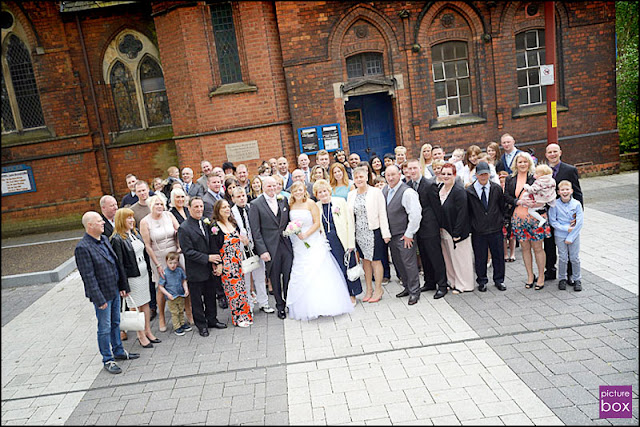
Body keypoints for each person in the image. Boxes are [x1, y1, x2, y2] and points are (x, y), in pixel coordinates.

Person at [75, 211, 139, 375]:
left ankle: (119, 351)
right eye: (99, 221)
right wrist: (98, 299)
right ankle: (107, 359)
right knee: (104, 328)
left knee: (116, 323)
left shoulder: (103, 239)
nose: (103, 223)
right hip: (102, 295)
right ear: (90, 225)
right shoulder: (83, 248)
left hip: (114, 290)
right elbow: (88, 277)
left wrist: (122, 285)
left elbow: (115, 264)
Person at [286, 181, 354, 320]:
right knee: (301, 269)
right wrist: (293, 230)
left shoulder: (311, 203)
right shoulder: (290, 204)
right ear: (292, 192)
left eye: (300, 190)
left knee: (318, 268)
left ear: (304, 190)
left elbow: (317, 223)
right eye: (295, 190)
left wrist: (306, 234)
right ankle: (304, 305)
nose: (298, 192)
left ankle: (326, 304)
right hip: (298, 243)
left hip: (312, 239)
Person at [110, 208, 161, 348]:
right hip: (132, 278)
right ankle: (140, 335)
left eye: (132, 217)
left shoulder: (135, 234)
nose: (132, 220)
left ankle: (148, 331)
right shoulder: (117, 239)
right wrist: (123, 285)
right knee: (135, 306)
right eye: (128, 218)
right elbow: (119, 264)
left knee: (145, 303)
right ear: (121, 220)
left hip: (143, 274)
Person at [177, 197, 227, 337]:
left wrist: (215, 262)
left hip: (209, 269)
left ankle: (212, 320)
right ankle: (201, 325)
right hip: (196, 270)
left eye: (201, 206)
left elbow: (212, 243)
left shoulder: (206, 222)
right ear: (189, 208)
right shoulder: (184, 228)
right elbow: (188, 251)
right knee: (198, 300)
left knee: (211, 296)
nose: (199, 209)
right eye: (196, 207)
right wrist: (207, 258)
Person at [249, 176, 294, 319]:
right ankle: (279, 306)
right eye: (269, 186)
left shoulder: (283, 200)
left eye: (274, 186)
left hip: (285, 244)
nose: (272, 189)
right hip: (270, 248)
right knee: (274, 279)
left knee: (288, 275)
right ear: (263, 187)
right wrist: (262, 251)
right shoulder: (256, 204)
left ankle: (289, 303)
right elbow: (255, 231)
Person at [504, 152, 551, 290]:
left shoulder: (536, 178)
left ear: (529, 163)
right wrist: (517, 201)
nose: (523, 164)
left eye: (525, 162)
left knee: (537, 248)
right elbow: (506, 196)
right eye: (520, 162)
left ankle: (541, 276)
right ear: (516, 164)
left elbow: (546, 193)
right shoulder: (510, 179)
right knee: (525, 248)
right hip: (518, 218)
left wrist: (536, 202)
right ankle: (530, 276)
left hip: (535, 217)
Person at [140, 195, 186, 332]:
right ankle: (162, 317)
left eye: (161, 204)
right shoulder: (145, 222)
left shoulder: (169, 215)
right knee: (161, 285)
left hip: (174, 254)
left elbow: (179, 231)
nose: (159, 207)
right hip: (158, 256)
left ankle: (186, 314)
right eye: (156, 204)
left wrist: (180, 246)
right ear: (151, 206)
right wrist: (157, 264)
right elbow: (147, 245)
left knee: (182, 280)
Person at [404, 159, 448, 299]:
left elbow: (437, 208)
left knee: (435, 256)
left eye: (414, 168)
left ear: (420, 168)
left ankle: (442, 285)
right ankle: (429, 282)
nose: (412, 171)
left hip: (430, 227)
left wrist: (439, 226)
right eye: (409, 169)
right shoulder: (408, 186)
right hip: (417, 229)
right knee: (424, 256)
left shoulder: (429, 185)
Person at [314, 179, 362, 305]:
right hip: (328, 242)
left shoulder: (340, 202)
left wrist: (351, 244)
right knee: (337, 269)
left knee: (349, 266)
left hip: (343, 239)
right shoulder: (316, 207)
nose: (323, 194)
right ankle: (343, 294)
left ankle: (353, 294)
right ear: (316, 195)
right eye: (320, 192)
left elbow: (349, 223)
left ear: (329, 191)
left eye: (325, 191)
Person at [347, 166, 391, 303]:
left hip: (374, 231)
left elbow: (382, 213)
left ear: (366, 177)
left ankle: (378, 289)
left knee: (376, 260)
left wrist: (385, 233)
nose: (359, 179)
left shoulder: (375, 192)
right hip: (359, 233)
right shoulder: (351, 194)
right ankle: (369, 290)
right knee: (365, 261)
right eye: (356, 177)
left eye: (361, 177)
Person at [543, 143, 584, 283]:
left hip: (566, 217)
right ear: (546, 154)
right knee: (548, 245)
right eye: (550, 152)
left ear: (560, 152)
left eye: (555, 151)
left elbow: (578, 193)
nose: (552, 154)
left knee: (568, 245)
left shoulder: (570, 169)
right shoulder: (543, 171)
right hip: (548, 214)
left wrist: (576, 217)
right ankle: (550, 270)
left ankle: (570, 274)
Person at [382, 165, 422, 305]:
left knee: (409, 263)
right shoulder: (385, 190)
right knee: (398, 263)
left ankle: (414, 291)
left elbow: (415, 214)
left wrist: (409, 233)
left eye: (393, 174)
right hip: (392, 235)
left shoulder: (407, 192)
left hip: (404, 235)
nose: (391, 178)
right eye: (388, 175)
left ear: (400, 174)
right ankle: (406, 287)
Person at [210, 199, 254, 327]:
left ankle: (246, 314)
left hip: (238, 260)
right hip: (227, 263)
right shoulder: (215, 226)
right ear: (218, 210)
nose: (227, 209)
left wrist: (244, 241)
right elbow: (214, 247)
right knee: (233, 291)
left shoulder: (233, 223)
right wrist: (219, 264)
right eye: (224, 207)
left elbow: (240, 238)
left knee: (242, 289)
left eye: (228, 207)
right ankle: (238, 317)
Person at [231, 186, 274, 314]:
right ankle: (248, 304)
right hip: (241, 249)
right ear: (233, 199)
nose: (241, 198)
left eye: (243, 195)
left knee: (260, 277)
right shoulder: (231, 213)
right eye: (238, 196)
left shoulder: (252, 208)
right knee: (245, 279)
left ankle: (263, 303)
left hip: (255, 246)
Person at [466, 161, 507, 292]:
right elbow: (468, 211)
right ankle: (482, 280)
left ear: (489, 174)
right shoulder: (470, 191)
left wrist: (502, 221)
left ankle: (499, 280)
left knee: (498, 256)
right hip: (479, 230)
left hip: (495, 227)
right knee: (480, 257)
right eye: (480, 174)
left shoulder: (496, 188)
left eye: (485, 174)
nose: (483, 177)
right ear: (476, 175)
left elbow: (502, 206)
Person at [439, 163, 475, 293]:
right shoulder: (440, 188)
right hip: (444, 230)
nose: (446, 176)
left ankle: (465, 285)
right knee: (449, 259)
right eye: (444, 174)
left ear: (455, 175)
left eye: (449, 174)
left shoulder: (459, 191)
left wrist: (457, 232)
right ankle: (453, 282)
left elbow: (462, 213)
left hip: (457, 232)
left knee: (461, 260)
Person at [548, 180, 584, 291]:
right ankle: (562, 278)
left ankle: (577, 278)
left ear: (571, 191)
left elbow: (579, 222)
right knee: (563, 257)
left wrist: (571, 236)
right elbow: (553, 221)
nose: (565, 192)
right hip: (560, 235)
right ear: (558, 192)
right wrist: (565, 229)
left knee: (574, 258)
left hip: (574, 235)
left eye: (567, 189)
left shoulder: (577, 204)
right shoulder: (555, 205)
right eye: (562, 190)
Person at [158, 252, 192, 336]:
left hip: (180, 294)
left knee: (181, 310)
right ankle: (177, 326)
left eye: (175, 263)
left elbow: (184, 280)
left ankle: (182, 323)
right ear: (166, 262)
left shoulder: (179, 271)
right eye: (170, 263)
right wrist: (167, 294)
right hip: (171, 297)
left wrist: (186, 289)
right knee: (174, 312)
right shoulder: (165, 273)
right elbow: (160, 286)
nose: (173, 265)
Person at [499, 170, 516, 262]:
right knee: (504, 236)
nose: (503, 184)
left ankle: (512, 253)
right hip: (502, 216)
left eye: (504, 182)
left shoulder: (511, 191)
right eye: (501, 182)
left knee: (512, 236)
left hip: (511, 214)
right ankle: (505, 254)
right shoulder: (498, 191)